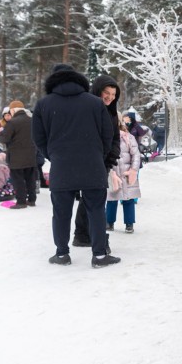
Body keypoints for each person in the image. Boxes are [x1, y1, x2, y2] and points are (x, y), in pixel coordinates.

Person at [32, 63, 120, 268]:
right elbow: (108, 134)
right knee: (96, 210)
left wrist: (54, 155)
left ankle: (62, 254)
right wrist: (99, 154)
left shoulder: (44, 105)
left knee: (61, 212)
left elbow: (38, 138)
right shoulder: (95, 103)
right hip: (93, 165)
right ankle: (99, 256)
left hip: (62, 166)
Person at [72, 75, 122, 251]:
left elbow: (115, 139)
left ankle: (83, 235)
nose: (110, 97)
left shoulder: (112, 113)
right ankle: (88, 236)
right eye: (106, 93)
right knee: (93, 200)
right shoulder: (87, 110)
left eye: (113, 94)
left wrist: (111, 158)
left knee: (90, 200)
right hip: (88, 161)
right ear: (98, 91)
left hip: (103, 162)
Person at [0, 101, 38, 209]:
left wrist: (0, 135)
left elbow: (4, 138)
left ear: (13, 109)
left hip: (16, 157)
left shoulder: (12, 122)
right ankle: (32, 200)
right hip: (31, 155)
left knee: (18, 179)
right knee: (30, 178)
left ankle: (21, 202)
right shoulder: (32, 120)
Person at [106, 123, 141, 233]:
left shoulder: (129, 137)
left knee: (128, 198)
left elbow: (136, 155)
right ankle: (109, 221)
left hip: (127, 173)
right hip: (113, 172)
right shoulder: (107, 137)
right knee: (112, 197)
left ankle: (129, 223)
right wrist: (108, 169)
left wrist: (133, 170)